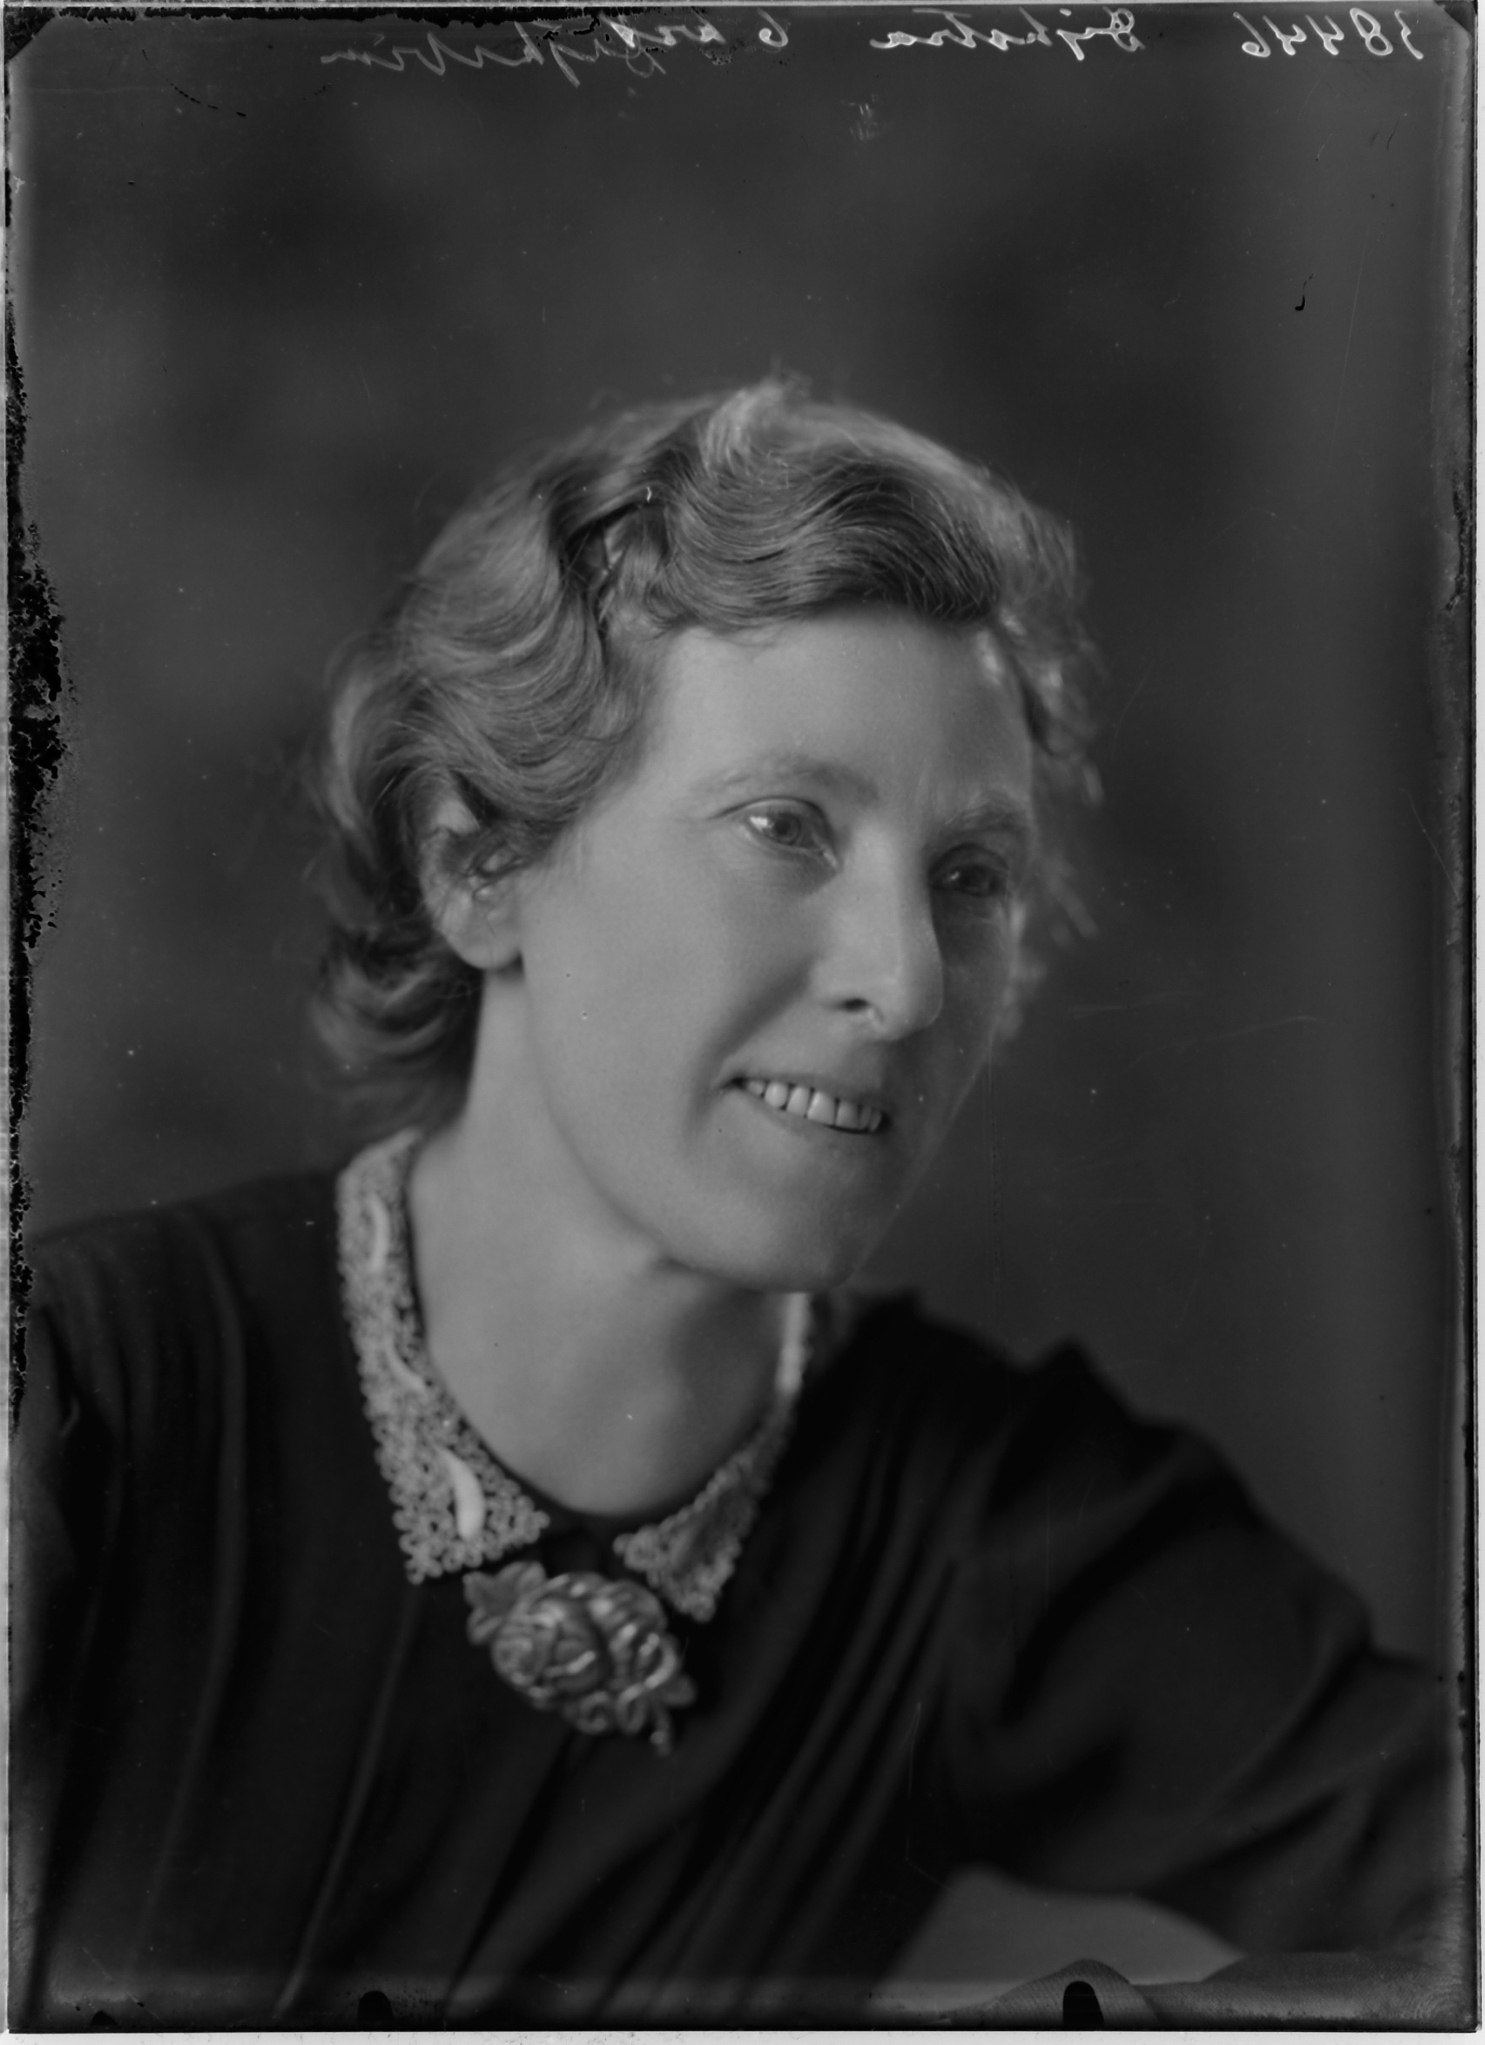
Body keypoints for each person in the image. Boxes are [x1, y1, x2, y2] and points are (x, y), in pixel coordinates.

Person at [12, 383, 1463, 2028]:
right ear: (475, 865)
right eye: (784, 827)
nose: (905, 981)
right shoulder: (80, 1406)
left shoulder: (995, 1522)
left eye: (968, 877)